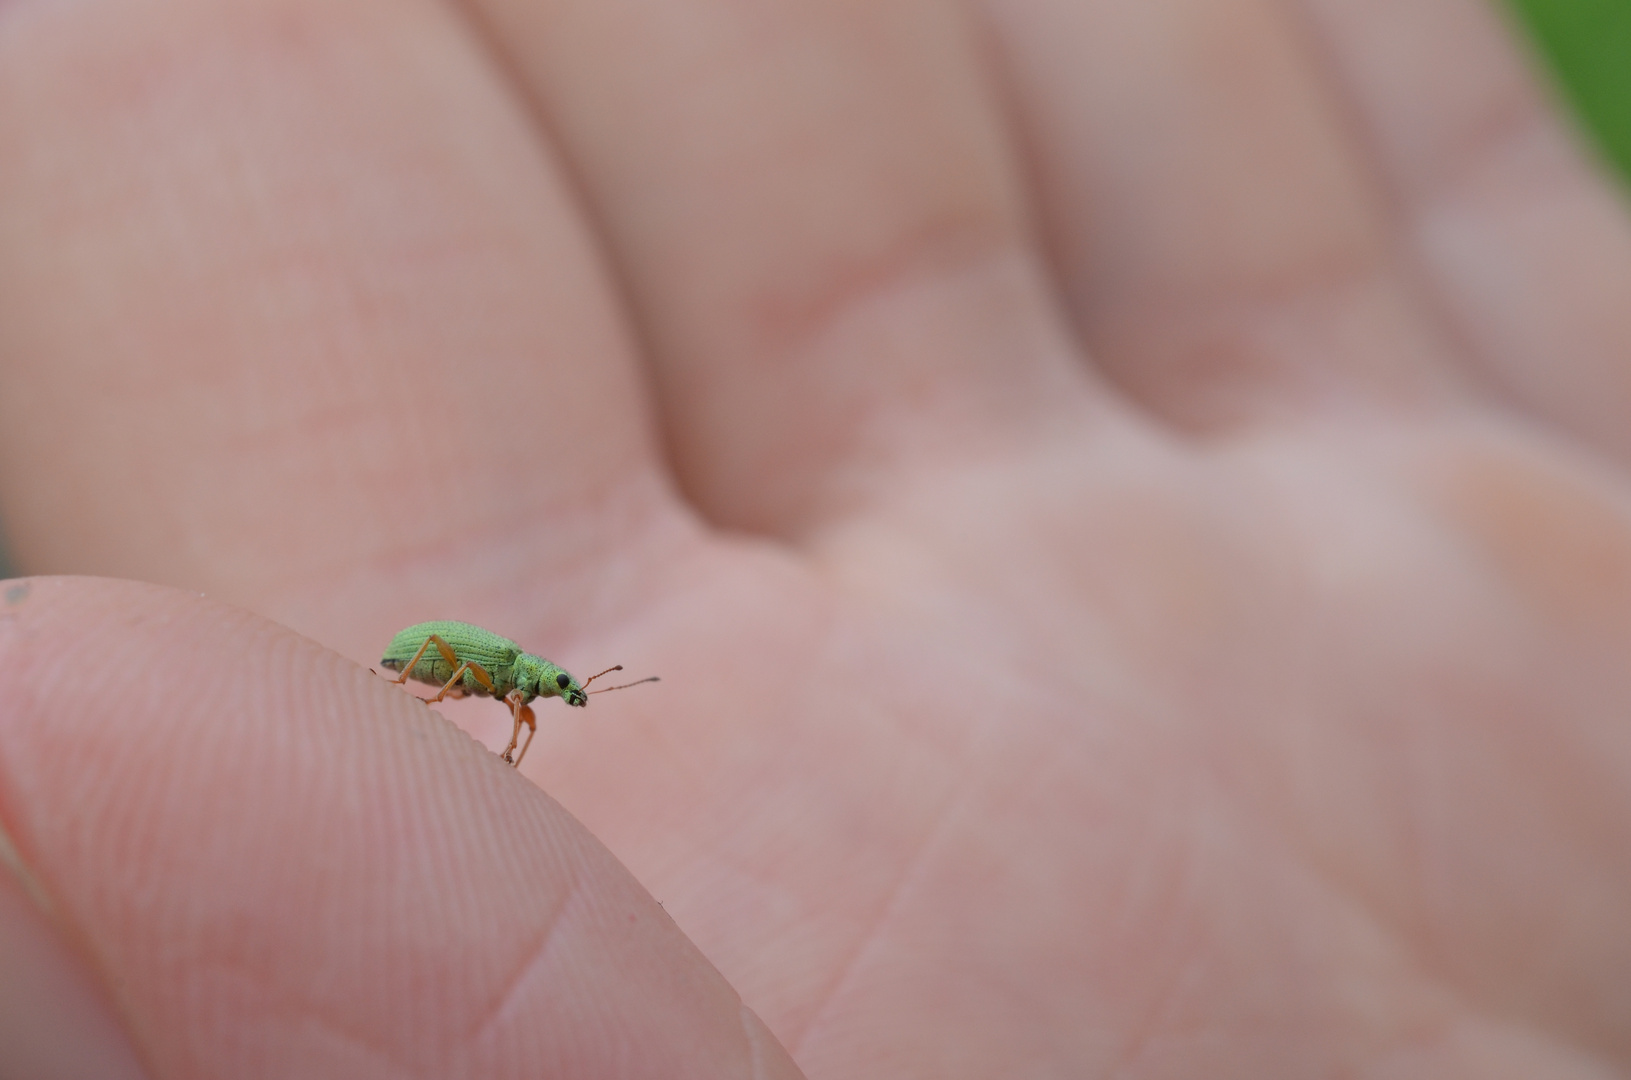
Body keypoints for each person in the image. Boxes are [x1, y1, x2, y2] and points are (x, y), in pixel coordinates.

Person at [2, 0, 1629, 1075]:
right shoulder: (490, 674)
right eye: (546, 705)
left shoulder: (519, 691)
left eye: (549, 706)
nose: (544, 706)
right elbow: (458, 679)